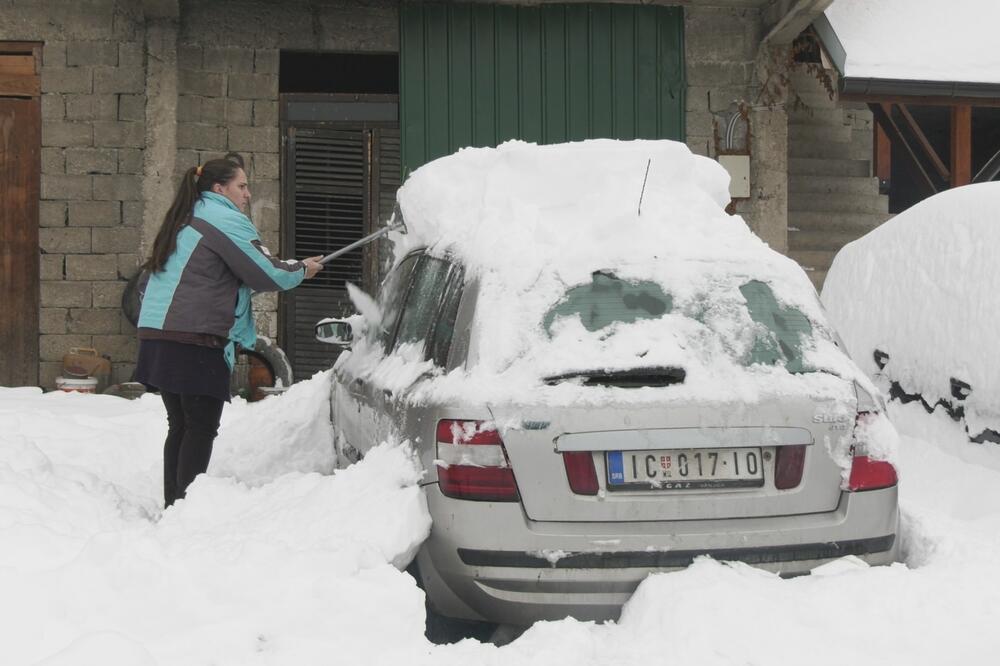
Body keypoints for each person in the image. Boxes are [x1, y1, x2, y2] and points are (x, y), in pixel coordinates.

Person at [136, 157, 323, 508]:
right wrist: (301, 270)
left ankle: (174, 507)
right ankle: (185, 510)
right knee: (201, 426)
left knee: (181, 424)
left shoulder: (187, 216)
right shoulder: (224, 218)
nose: (248, 194)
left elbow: (212, 279)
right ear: (219, 189)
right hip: (192, 338)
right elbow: (264, 272)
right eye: (242, 186)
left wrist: (294, 268)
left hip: (160, 334)